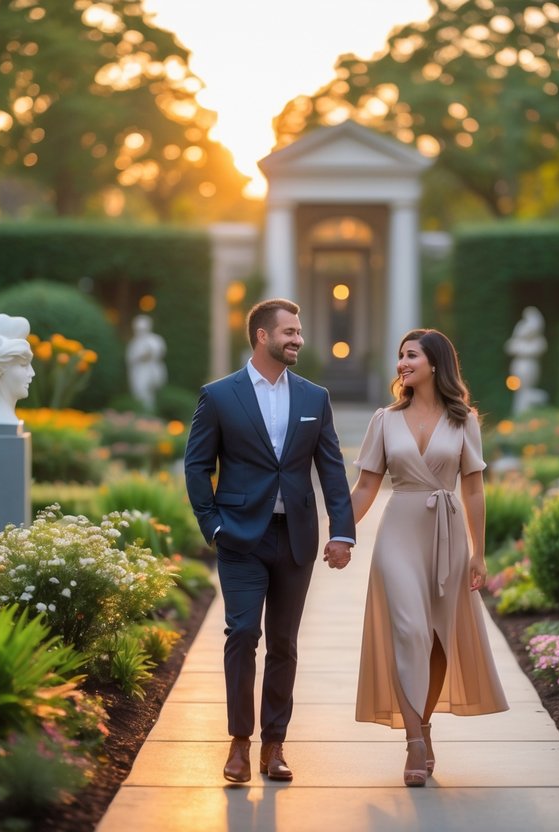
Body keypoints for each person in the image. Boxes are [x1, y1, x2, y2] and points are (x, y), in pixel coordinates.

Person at [184, 298, 356, 784]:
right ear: (262, 336)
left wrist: (342, 531)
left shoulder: (313, 397)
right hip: (240, 538)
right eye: (289, 331)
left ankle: (274, 745)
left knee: (284, 643)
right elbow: (197, 465)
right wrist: (211, 525)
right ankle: (239, 743)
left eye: (299, 331)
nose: (298, 338)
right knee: (242, 635)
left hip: (296, 538)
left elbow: (331, 468)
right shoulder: (219, 396)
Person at [349, 328, 508, 787]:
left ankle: (423, 726)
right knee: (409, 630)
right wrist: (341, 534)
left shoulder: (464, 421)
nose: (402, 363)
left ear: (435, 363)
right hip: (398, 532)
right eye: (400, 356)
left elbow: (474, 489)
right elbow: (365, 487)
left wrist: (479, 553)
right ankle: (414, 743)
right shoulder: (385, 419)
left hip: (447, 535)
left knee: (438, 639)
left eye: (411, 355)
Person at [126, 314, 167, 412]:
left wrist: (149, 355)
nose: (140, 331)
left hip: (150, 370)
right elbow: (130, 358)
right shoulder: (134, 342)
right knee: (138, 392)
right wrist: (140, 357)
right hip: (138, 371)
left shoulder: (154, 340)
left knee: (148, 394)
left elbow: (159, 353)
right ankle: (141, 413)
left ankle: (149, 414)